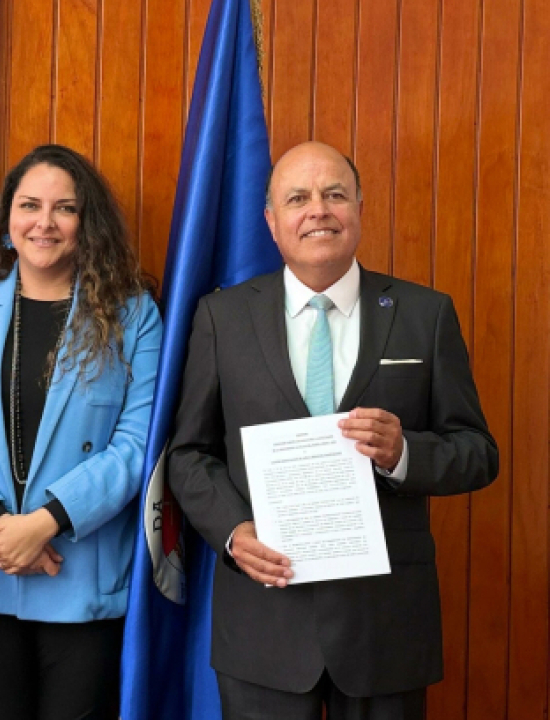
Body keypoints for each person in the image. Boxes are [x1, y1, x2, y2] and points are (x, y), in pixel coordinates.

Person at [167, 141, 499, 720]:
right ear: (272, 221)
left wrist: (403, 454)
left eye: (335, 194)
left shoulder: (426, 314)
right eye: (298, 198)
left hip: (384, 627)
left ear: (360, 210)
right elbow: (189, 454)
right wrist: (233, 532)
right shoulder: (222, 317)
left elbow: (477, 452)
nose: (317, 209)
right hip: (263, 626)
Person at [0, 144, 162, 720]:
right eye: (30, 205)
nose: (44, 222)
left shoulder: (133, 314)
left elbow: (136, 444)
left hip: (81, 571)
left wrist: (45, 524)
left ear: (86, 223)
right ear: (8, 219)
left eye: (64, 208)